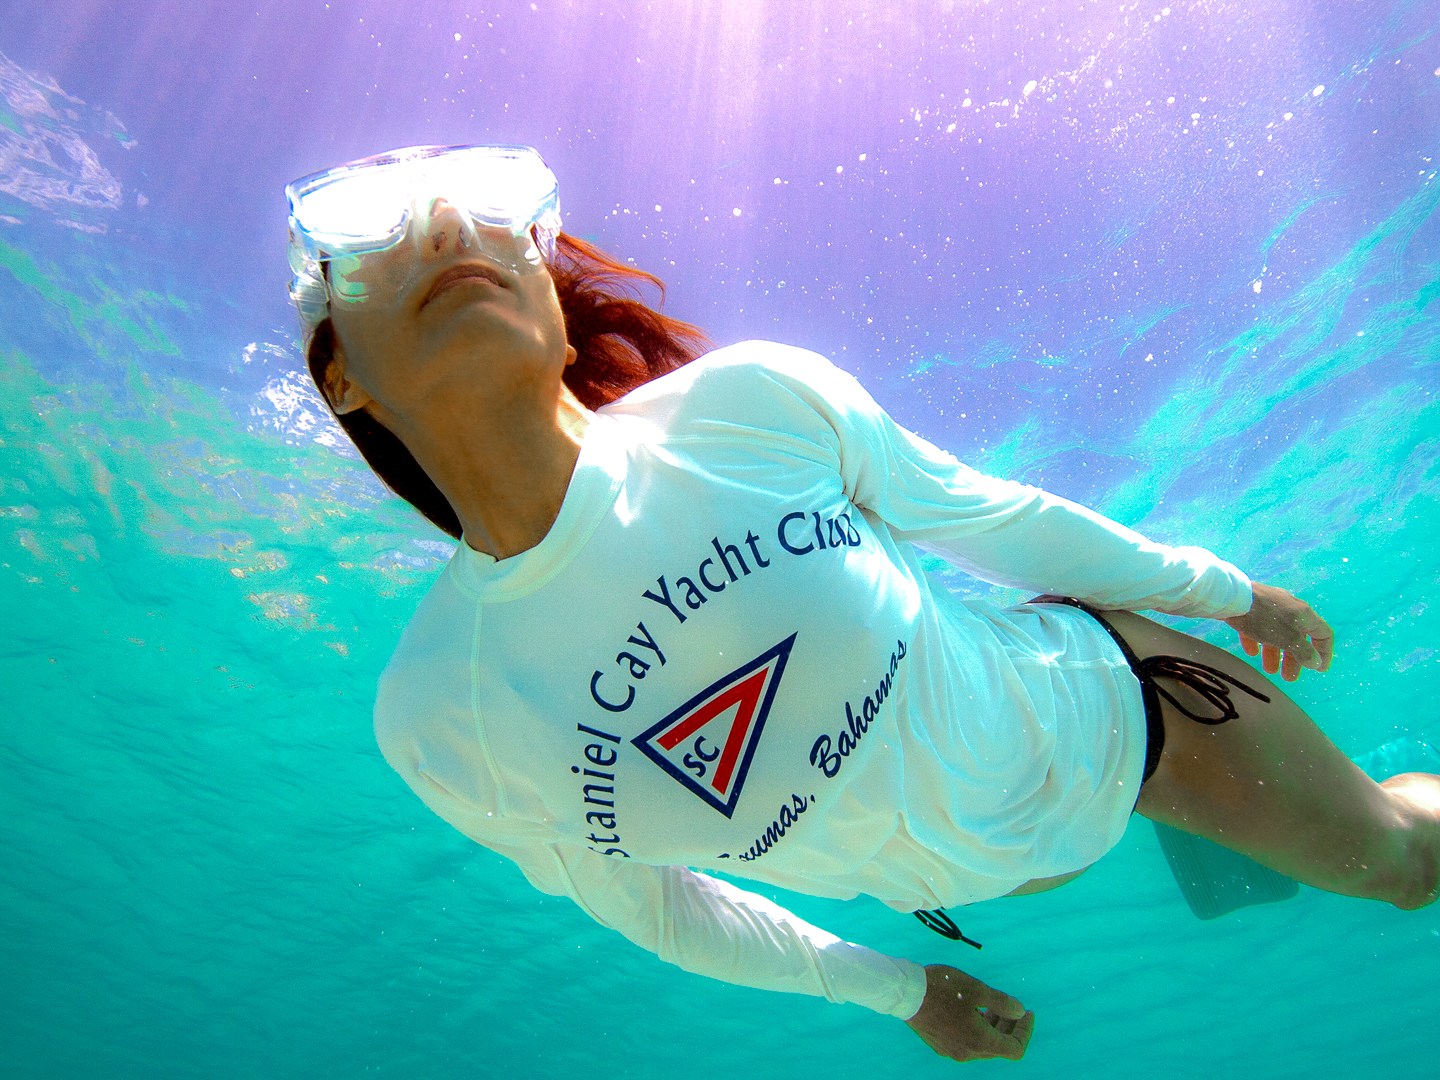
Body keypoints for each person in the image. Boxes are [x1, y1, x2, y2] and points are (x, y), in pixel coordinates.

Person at [285, 144, 1440, 1063]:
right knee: (1273, 854)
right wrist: (904, 995)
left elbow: (992, 518)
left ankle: (1346, 807)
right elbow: (655, 908)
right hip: (1006, 865)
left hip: (1129, 720)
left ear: (545, 285)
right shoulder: (441, 716)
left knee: (1401, 866)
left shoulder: (747, 405)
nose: (444, 228)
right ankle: (1242, 850)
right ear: (339, 370)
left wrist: (1226, 594)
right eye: (372, 234)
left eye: (489, 210)